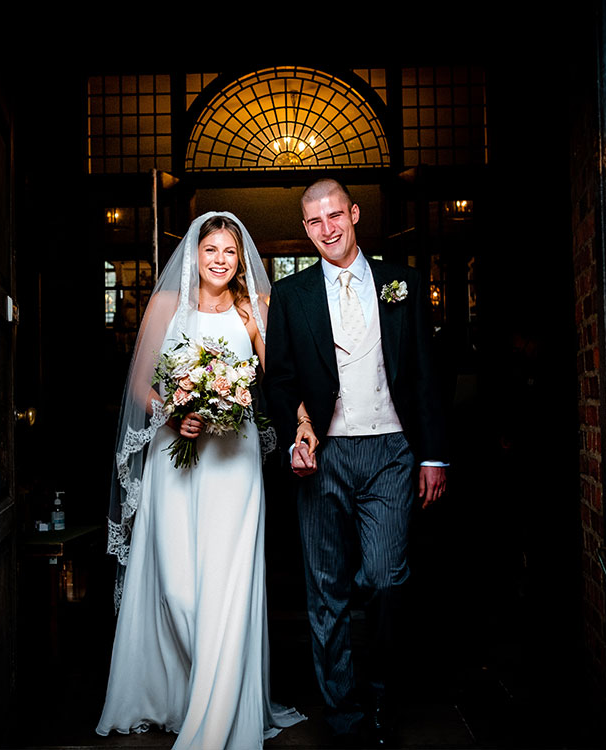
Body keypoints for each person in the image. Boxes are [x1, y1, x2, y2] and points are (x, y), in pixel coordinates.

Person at [97, 212, 305, 750]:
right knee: (180, 589)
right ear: (194, 255)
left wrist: (301, 423)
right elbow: (140, 384)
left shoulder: (252, 308)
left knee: (226, 589)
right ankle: (183, 693)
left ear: (240, 261)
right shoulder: (167, 307)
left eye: (229, 252)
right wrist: (173, 414)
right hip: (174, 460)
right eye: (210, 249)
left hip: (234, 465)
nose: (219, 259)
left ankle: (221, 715)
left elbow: (279, 378)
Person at [264, 179, 448, 746]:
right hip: (325, 456)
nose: (327, 229)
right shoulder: (291, 296)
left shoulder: (403, 283)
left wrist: (434, 454)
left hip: (392, 451)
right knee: (326, 591)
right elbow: (280, 378)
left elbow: (423, 372)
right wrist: (298, 435)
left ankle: (385, 697)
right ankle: (344, 717)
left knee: (386, 579)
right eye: (315, 222)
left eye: (335, 216)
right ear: (306, 228)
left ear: (355, 214)